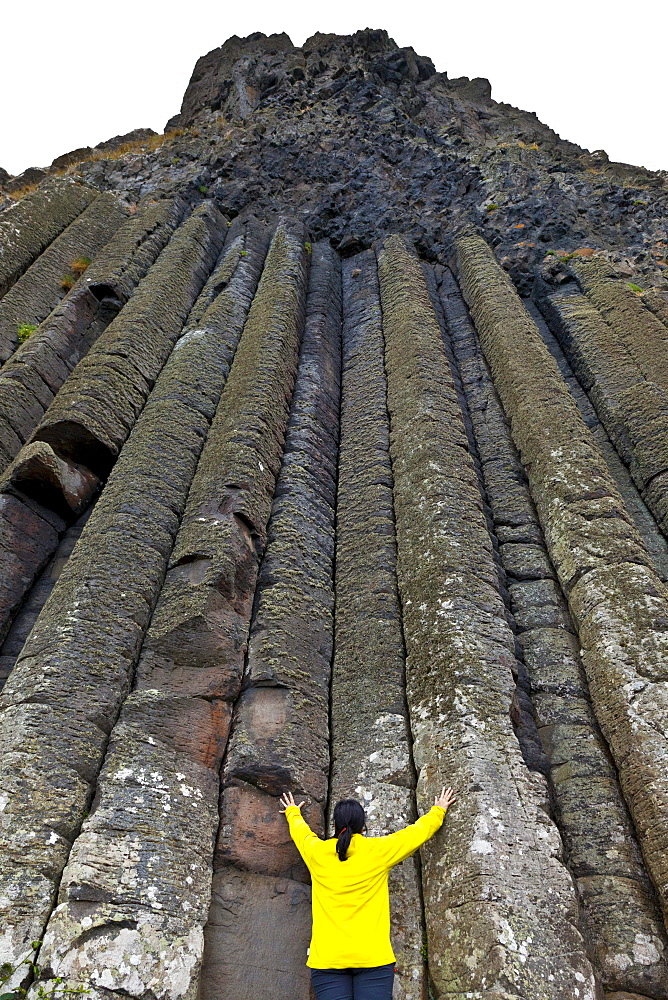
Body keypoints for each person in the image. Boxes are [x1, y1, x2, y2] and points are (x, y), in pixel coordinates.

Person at [279, 785, 456, 1000]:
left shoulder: (317, 853)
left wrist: (292, 812)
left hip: (327, 959)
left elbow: (301, 833)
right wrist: (438, 810)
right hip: (373, 958)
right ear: (363, 825)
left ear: (335, 824)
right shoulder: (377, 851)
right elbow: (415, 834)